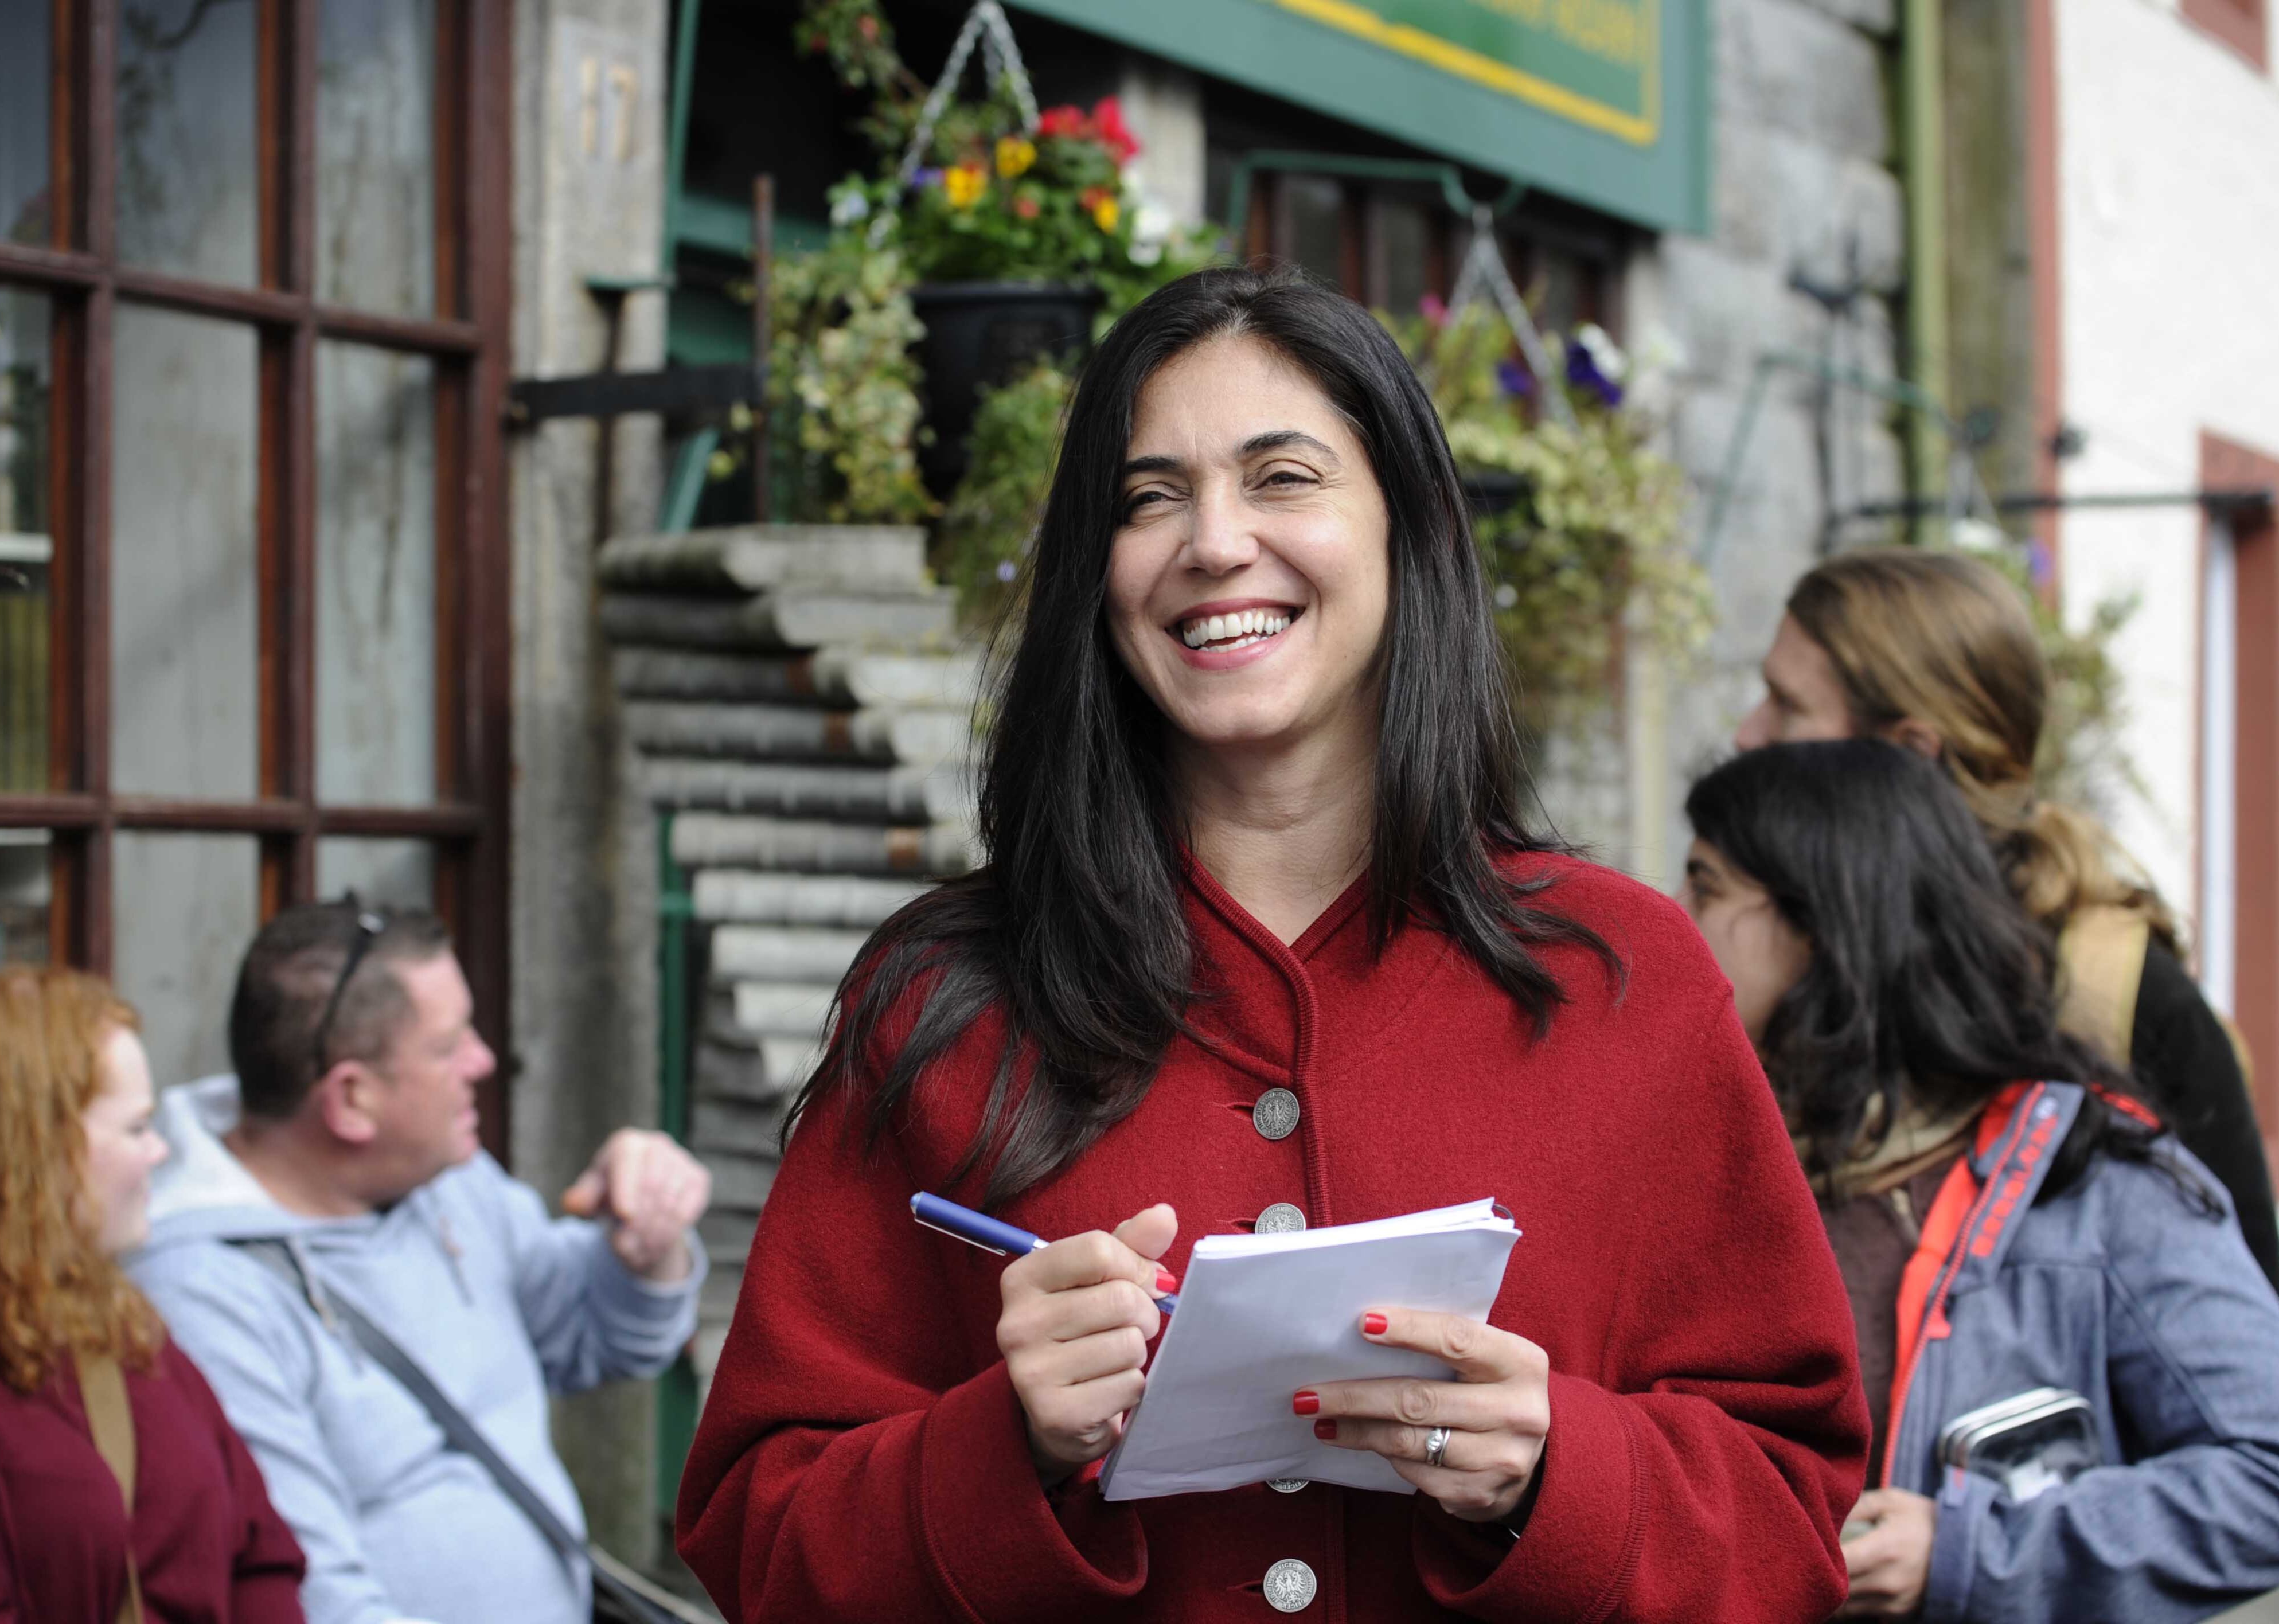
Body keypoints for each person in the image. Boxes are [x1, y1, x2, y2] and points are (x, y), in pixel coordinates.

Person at [676, 266, 1867, 1622]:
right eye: (1148, 497)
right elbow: (759, 1545)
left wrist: (1555, 1470)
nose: (1213, 541)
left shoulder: (1621, 976)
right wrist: (999, 1445)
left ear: (1407, 528)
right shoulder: (945, 998)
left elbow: (1796, 1506)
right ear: (1095, 570)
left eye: (1283, 477)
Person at [1680, 739, 2279, 1621]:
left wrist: (1970, 1552)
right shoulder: (1703, 1171)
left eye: (1704, 884)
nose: (1669, 915)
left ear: (1819, 921)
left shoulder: (2099, 1182)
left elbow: (2263, 1475)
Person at [127, 902, 713, 1624]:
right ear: (351, 1100)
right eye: (448, 1045)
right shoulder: (202, 1292)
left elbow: (603, 1341)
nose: (484, 1060)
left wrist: (647, 1247)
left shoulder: (446, 1179)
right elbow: (309, 1595)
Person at [1734, 545, 2279, 1289]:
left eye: (1787, 706)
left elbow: (2245, 1313)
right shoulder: (1777, 942)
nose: (1747, 734)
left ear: (1911, 754)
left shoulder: (2123, 994)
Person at [0, 966, 307, 1623]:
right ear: (35, 1150)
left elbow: (262, 1556)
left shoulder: (126, 1331)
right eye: (135, 1127)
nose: (159, 1152)